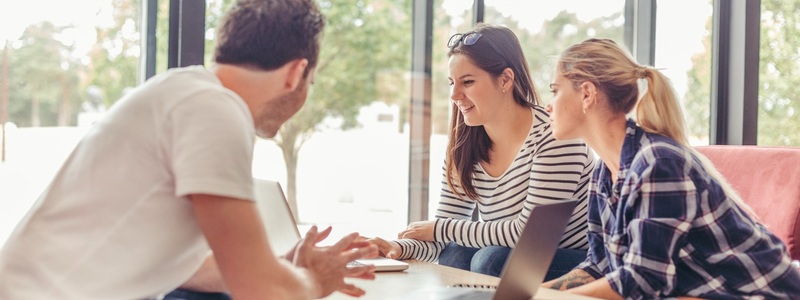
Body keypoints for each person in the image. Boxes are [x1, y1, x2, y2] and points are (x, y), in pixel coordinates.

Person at [0, 0, 379, 299]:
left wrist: (279, 266)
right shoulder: (214, 110)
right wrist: (315, 281)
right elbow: (261, 293)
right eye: (310, 82)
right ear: (297, 73)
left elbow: (187, 268)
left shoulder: (187, 92)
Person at [541, 38, 800, 299]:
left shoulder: (657, 163)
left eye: (555, 90)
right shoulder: (602, 175)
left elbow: (643, 281)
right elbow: (598, 266)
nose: (548, 105)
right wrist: (530, 293)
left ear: (587, 93)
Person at [367, 23, 595, 280]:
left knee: (491, 259)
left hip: (574, 260)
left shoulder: (555, 135)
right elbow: (442, 237)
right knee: (456, 254)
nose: (454, 94)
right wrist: (395, 248)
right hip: (507, 254)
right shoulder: (464, 146)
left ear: (505, 80)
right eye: (452, 82)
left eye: (468, 82)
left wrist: (441, 229)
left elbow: (530, 236)